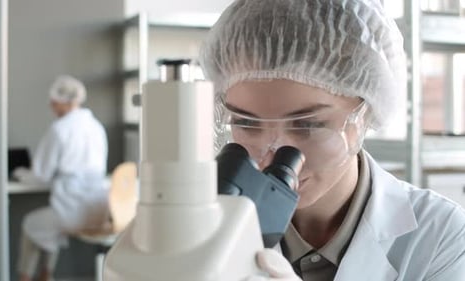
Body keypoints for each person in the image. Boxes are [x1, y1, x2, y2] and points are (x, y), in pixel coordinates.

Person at [199, 0, 465, 280]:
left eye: (308, 125)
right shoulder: (204, 222)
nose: (271, 156)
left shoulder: (441, 236)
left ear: (365, 111)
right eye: (246, 123)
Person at [14, 75, 109, 281]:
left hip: (72, 209)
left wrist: (19, 174)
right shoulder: (96, 127)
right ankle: (46, 275)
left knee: (32, 225)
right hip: (99, 208)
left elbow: (40, 175)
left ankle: (26, 277)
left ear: (63, 102)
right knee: (48, 226)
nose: (51, 106)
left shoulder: (59, 129)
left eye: (54, 102)